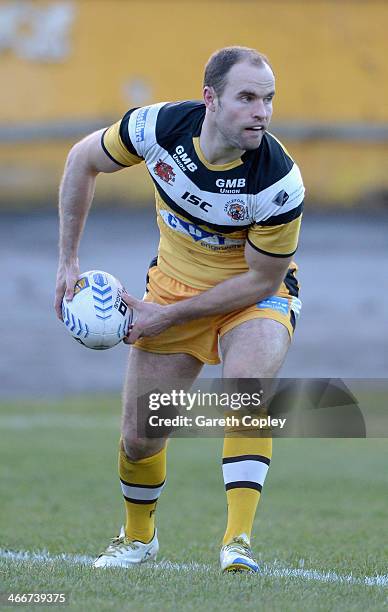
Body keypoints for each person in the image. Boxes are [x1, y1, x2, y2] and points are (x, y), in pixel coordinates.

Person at [55, 46, 304, 573]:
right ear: (210, 99)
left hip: (252, 295)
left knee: (246, 387)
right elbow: (82, 161)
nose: (261, 111)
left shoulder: (277, 180)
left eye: (268, 100)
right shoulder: (157, 129)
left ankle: (237, 543)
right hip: (171, 285)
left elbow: (262, 277)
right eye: (247, 98)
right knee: (140, 435)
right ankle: (138, 539)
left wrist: (162, 318)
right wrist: (68, 260)